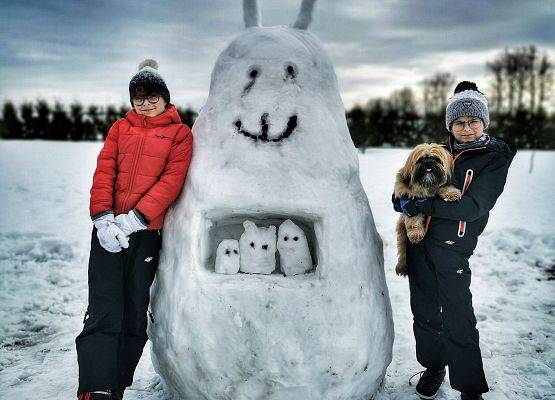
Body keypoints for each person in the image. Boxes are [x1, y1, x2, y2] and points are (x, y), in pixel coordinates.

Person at [75, 59, 193, 400]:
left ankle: (116, 386)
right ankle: (94, 387)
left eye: (151, 95)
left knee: (132, 310)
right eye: (138, 97)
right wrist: (103, 219)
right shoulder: (120, 128)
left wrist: (135, 220)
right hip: (108, 233)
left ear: (165, 97)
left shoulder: (179, 134)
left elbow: (172, 180)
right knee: (102, 306)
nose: (144, 103)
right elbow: (104, 170)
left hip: (144, 235)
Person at [392, 81, 515, 400]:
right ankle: (434, 367)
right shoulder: (439, 152)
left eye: (474, 121)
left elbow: (474, 207)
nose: (467, 128)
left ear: (484, 123)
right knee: (425, 312)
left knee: (459, 316)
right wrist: (401, 199)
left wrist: (426, 205)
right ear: (451, 124)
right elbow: (410, 182)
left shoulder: (492, 160)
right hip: (419, 244)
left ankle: (470, 387)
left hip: (453, 249)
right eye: (459, 122)